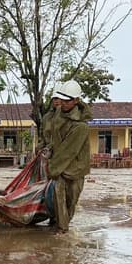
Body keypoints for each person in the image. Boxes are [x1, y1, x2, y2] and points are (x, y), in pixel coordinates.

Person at [47, 80, 92, 234]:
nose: (63, 104)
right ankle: (62, 229)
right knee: (58, 198)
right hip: (59, 165)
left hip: (75, 169)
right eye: (62, 100)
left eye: (67, 101)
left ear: (76, 100)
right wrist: (49, 149)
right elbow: (55, 138)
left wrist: (52, 169)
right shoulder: (58, 113)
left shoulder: (81, 126)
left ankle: (64, 226)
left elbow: (68, 152)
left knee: (71, 202)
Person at [39, 84, 63, 152]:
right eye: (55, 98)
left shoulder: (69, 116)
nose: (57, 101)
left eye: (59, 98)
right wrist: (40, 147)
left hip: (63, 152)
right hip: (48, 153)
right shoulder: (46, 118)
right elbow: (43, 137)